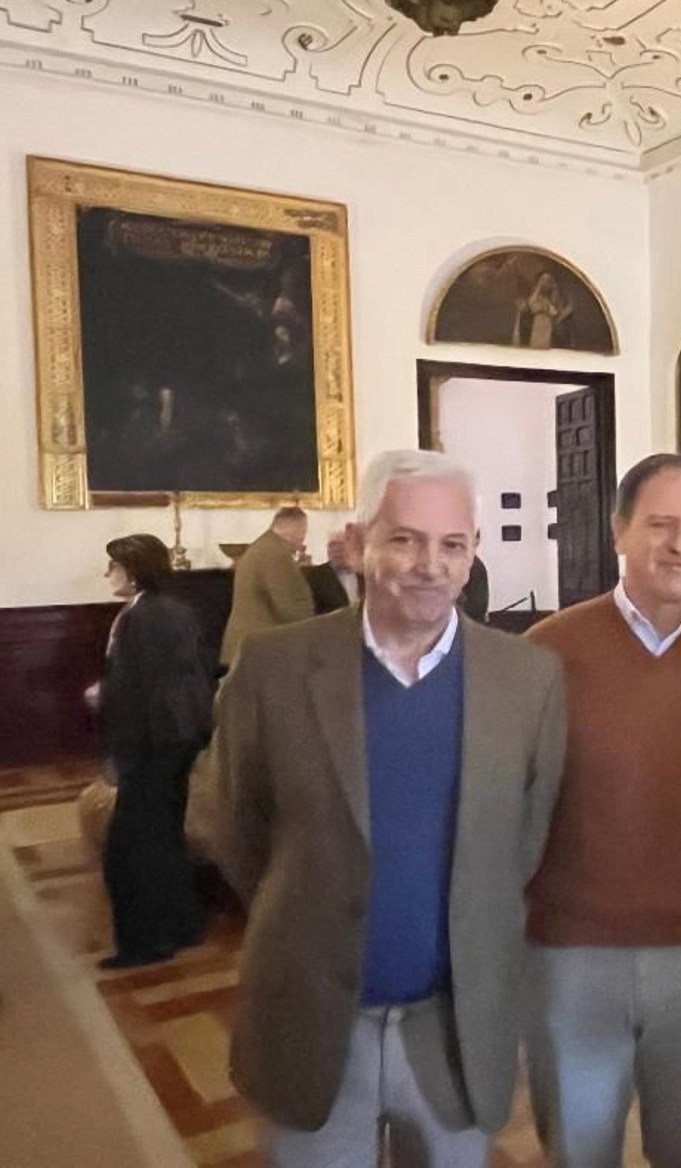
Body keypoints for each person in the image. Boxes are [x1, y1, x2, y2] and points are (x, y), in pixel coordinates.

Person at [205, 449, 567, 1165]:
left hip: (455, 1028)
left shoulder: (530, 678)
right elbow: (233, 827)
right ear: (360, 542)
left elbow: (522, 842)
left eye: (451, 544)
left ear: (471, 556)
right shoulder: (272, 667)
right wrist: (308, 902)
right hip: (312, 1024)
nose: (429, 563)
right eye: (405, 538)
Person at [522, 452, 681, 1168]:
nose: (680, 543)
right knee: (578, 1152)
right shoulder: (546, 653)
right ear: (618, 533)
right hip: (570, 956)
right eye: (661, 524)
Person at [92, 534, 213, 969]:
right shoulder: (178, 610)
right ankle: (182, 925)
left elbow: (135, 692)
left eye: (113, 566)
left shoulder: (139, 617)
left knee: (129, 849)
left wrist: (116, 756)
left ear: (133, 569)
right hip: (179, 738)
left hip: (151, 742)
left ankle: (145, 942)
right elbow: (185, 677)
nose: (108, 574)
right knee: (164, 837)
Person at [220, 505, 314, 668]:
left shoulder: (261, 547)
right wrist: (316, 627)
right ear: (295, 529)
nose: (302, 540)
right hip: (262, 651)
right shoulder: (276, 554)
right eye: (302, 533)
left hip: (247, 646)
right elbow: (288, 606)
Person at [304, 524, 361, 614]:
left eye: (341, 544)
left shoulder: (367, 573)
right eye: (332, 545)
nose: (337, 549)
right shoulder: (314, 576)